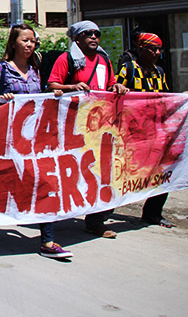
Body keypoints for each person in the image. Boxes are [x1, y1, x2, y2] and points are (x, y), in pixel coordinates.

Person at [0, 24, 73, 259]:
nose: (29, 45)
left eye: (32, 41)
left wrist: (54, 97)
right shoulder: (0, 69)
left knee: (45, 184)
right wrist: (2, 100)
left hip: (33, 142)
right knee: (0, 185)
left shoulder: (36, 69)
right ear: (13, 44)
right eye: (25, 40)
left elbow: (39, 99)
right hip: (5, 142)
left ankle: (48, 241)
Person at [48, 20, 129, 239]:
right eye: (88, 34)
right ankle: (57, 212)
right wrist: (71, 87)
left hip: (102, 127)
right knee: (73, 172)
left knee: (106, 173)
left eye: (97, 34)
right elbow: (52, 85)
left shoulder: (104, 60)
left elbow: (110, 84)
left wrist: (117, 87)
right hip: (73, 128)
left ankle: (96, 221)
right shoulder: (66, 60)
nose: (94, 37)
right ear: (77, 39)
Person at [115, 32, 175, 228]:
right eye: (152, 49)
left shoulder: (159, 72)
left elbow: (165, 97)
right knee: (120, 174)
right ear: (141, 49)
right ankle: (101, 213)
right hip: (131, 134)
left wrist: (182, 98)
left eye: (159, 49)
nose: (157, 53)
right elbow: (114, 93)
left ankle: (153, 213)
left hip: (155, 132)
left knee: (162, 172)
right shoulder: (129, 69)